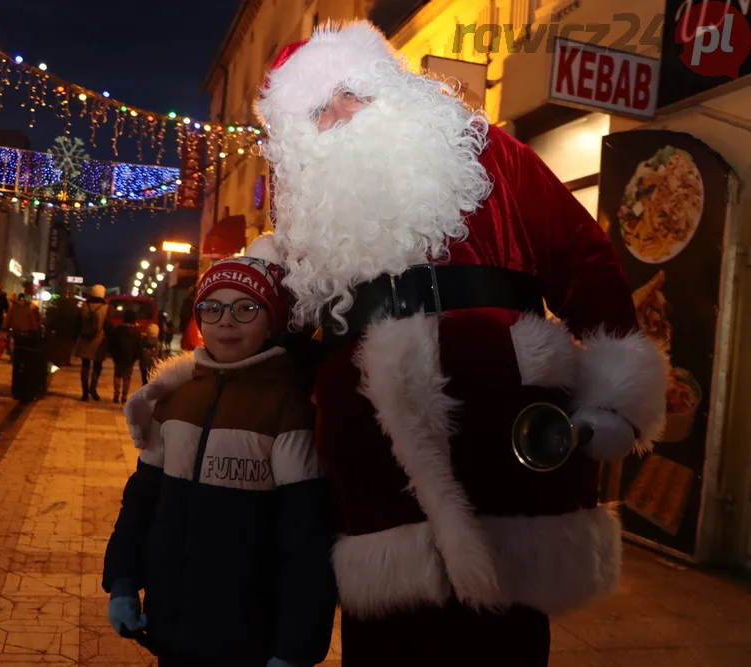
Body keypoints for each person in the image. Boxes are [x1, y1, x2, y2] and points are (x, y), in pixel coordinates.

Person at [127, 22, 669, 666]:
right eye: (317, 111)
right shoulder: (308, 217)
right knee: (387, 632)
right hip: (371, 451)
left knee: (504, 629)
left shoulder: (490, 154)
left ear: (388, 85)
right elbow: (270, 323)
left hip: (503, 428)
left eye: (350, 92)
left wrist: (613, 394)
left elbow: (583, 259)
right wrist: (205, 374)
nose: (339, 115)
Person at [104, 252, 337, 667]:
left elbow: (307, 540)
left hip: (249, 637)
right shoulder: (177, 400)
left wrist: (295, 646)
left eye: (246, 308)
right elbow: (141, 504)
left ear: (273, 320)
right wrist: (123, 581)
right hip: (169, 624)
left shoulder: (288, 408)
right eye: (212, 308)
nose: (226, 321)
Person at [75, 284, 111, 401]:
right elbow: (108, 325)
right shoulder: (106, 308)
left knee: (85, 366)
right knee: (97, 366)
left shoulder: (84, 305)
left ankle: (84, 392)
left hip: (84, 339)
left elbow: (78, 322)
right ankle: (93, 388)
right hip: (99, 340)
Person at [108, 309, 143, 404]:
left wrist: (113, 354)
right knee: (127, 377)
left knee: (117, 375)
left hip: (118, 357)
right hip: (130, 358)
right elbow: (138, 346)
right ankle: (124, 396)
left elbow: (112, 343)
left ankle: (116, 395)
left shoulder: (117, 329)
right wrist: (136, 357)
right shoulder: (136, 332)